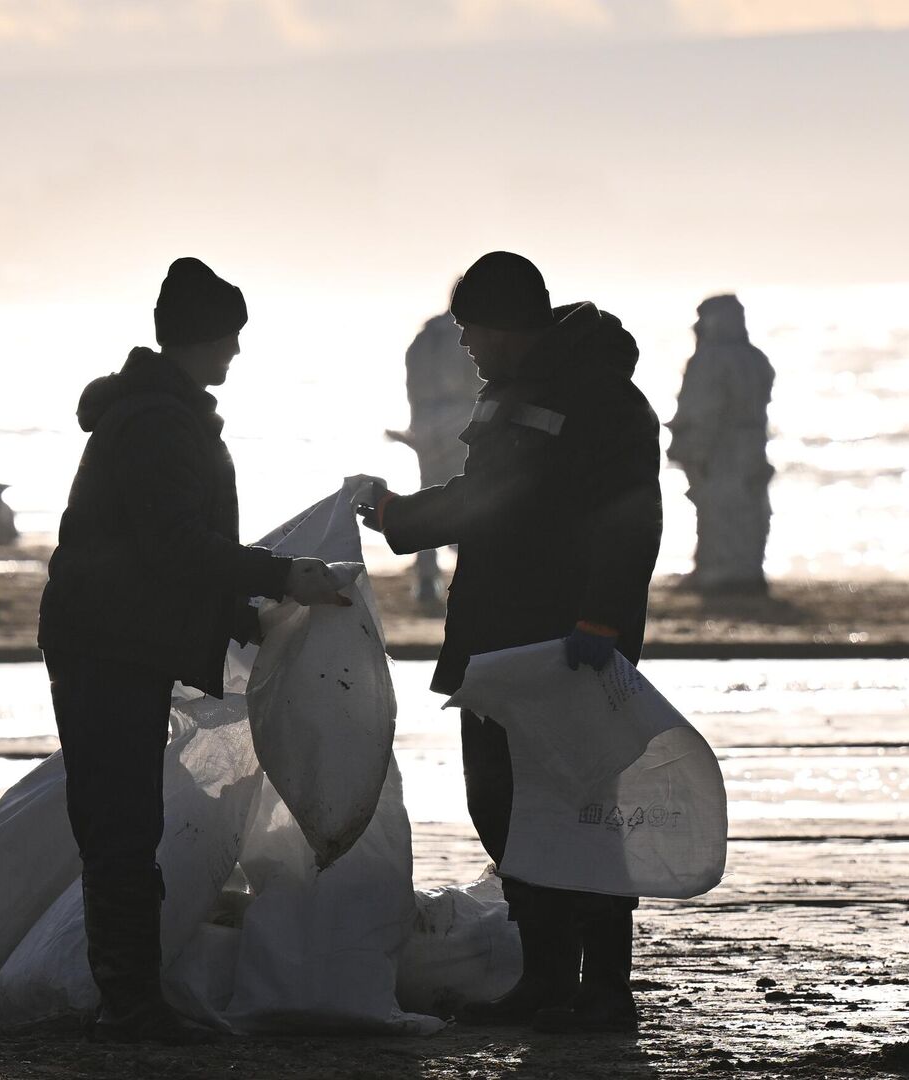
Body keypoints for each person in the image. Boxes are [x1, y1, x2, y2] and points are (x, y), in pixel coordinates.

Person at [37, 258, 350, 1044]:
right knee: (120, 827)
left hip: (115, 638)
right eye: (229, 337)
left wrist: (245, 616)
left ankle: (130, 995)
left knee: (123, 824)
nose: (236, 353)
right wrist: (281, 576)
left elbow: (166, 552)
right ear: (202, 338)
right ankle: (129, 1005)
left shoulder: (157, 414)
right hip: (108, 645)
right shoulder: (157, 425)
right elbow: (175, 544)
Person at [354, 252, 664, 1034]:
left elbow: (632, 523)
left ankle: (605, 990)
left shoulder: (607, 403)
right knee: (502, 809)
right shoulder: (512, 397)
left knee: (580, 810)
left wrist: (602, 623)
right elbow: (485, 499)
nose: (465, 348)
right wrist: (399, 517)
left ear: (507, 326)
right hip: (497, 641)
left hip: (564, 648)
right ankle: (546, 977)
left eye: (471, 331)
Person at [667, 294, 774, 594]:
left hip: (722, 448)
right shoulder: (755, 358)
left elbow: (704, 410)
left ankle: (724, 572)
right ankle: (739, 569)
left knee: (722, 509)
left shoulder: (710, 359)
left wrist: (695, 448)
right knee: (743, 509)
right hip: (751, 446)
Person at [391, 311, 482, 606]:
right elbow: (480, 380)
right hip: (462, 415)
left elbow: (411, 381)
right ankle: (468, 565)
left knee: (428, 492)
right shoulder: (471, 333)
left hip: (427, 419)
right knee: (467, 494)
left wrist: (417, 422)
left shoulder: (425, 336)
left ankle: (427, 578)